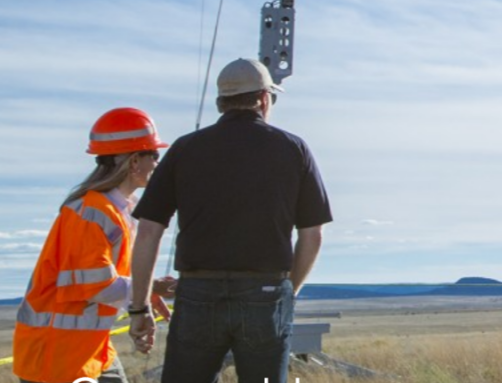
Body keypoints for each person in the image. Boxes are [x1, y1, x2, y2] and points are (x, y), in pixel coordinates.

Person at [128, 57, 333, 383]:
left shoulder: (185, 148)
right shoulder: (293, 149)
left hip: (197, 291)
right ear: (264, 99)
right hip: (266, 289)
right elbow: (313, 235)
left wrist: (139, 308)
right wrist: (285, 293)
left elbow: (149, 231)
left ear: (221, 102)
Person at [12, 107, 177, 383]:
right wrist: (148, 288)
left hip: (88, 352)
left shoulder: (118, 211)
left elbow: (104, 282)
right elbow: (95, 285)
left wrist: (144, 297)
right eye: (154, 156)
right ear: (135, 160)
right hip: (57, 357)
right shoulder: (91, 212)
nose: (157, 165)